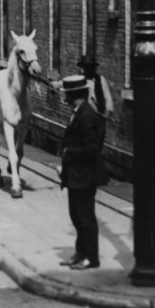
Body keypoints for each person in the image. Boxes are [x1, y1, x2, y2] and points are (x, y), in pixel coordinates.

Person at [57, 74, 104, 270]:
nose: (64, 97)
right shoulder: (78, 111)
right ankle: (80, 252)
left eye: (66, 93)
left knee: (85, 218)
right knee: (76, 216)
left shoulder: (86, 115)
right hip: (75, 175)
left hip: (85, 175)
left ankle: (91, 257)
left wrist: (69, 153)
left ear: (74, 94)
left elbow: (93, 148)